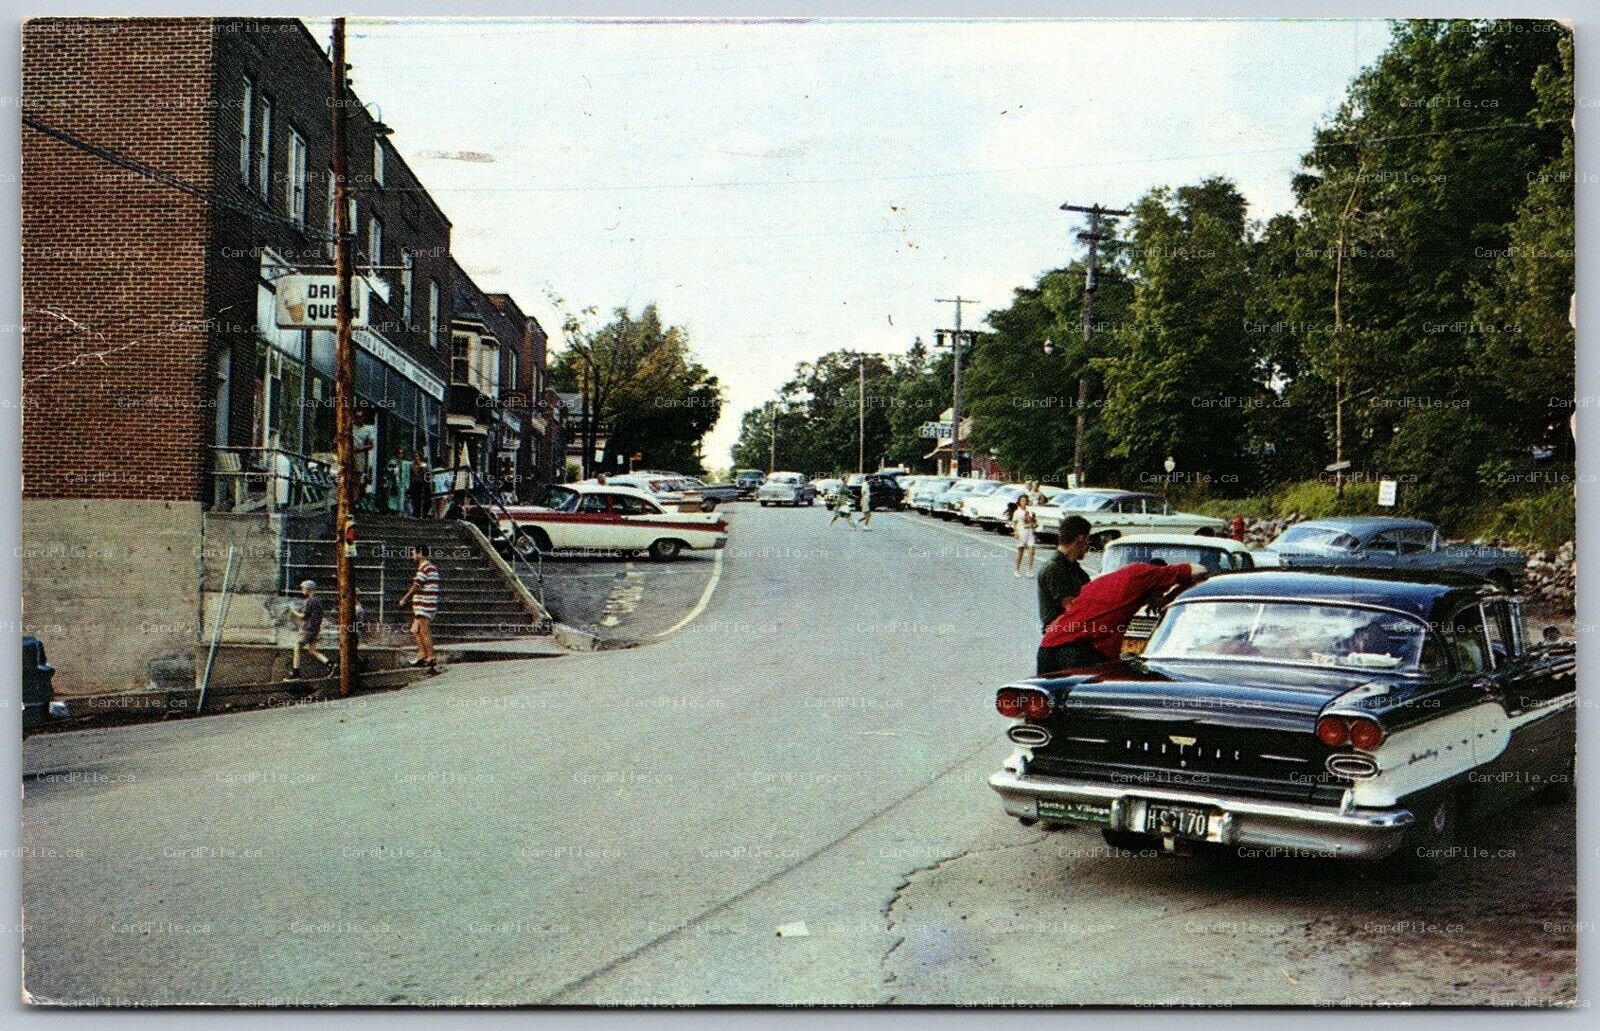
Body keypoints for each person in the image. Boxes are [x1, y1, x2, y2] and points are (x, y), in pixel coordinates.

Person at [1036, 560, 1208, 676]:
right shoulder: (1146, 573)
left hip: (1047, 648)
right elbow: (1200, 570)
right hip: (1077, 653)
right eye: (1162, 591)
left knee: (1043, 711)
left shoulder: (1104, 581)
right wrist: (1170, 598)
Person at [1037, 515, 1093, 631]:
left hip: (1075, 635)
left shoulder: (1077, 571)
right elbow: (1072, 608)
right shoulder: (1053, 568)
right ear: (1080, 538)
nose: (1087, 545)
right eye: (1088, 539)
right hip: (1059, 640)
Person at [396, 545, 439, 668]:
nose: (412, 556)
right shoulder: (430, 567)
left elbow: (416, 585)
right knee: (414, 630)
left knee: (424, 631)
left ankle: (430, 657)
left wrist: (404, 598)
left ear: (420, 554)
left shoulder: (424, 568)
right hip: (423, 604)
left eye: (414, 553)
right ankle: (422, 654)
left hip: (424, 604)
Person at [288, 579, 328, 680]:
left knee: (297, 646)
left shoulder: (309, 601)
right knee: (312, 650)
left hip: (308, 629)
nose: (302, 590)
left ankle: (296, 672)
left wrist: (293, 611)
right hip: (316, 629)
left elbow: (303, 616)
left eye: (303, 588)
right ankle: (330, 664)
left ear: (309, 589)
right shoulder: (318, 600)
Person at [1012, 493, 1039, 577]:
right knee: (1021, 551)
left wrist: (1035, 524)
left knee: (1032, 551)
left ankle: (1029, 570)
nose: (1024, 502)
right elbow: (1014, 523)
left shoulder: (1029, 511)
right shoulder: (1017, 512)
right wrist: (1016, 532)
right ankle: (1017, 569)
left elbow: (1034, 521)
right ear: (1019, 502)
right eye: (1022, 500)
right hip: (1021, 532)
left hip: (1029, 532)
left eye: (1025, 500)